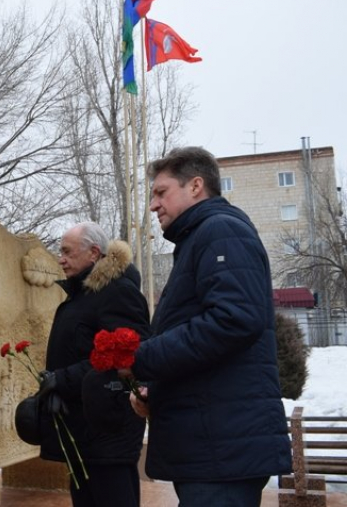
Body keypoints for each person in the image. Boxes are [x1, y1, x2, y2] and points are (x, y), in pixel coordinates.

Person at [123, 146, 291, 506]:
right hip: (214, 444)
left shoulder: (220, 232)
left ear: (196, 186)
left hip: (223, 450)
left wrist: (143, 358)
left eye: (161, 192)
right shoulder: (202, 238)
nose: (153, 205)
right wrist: (161, 388)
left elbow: (232, 321)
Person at [35, 222, 150, 507]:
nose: (60, 258)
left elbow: (127, 355)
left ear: (94, 253)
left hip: (108, 427)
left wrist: (62, 379)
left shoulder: (117, 292)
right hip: (82, 425)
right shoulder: (82, 295)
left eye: (67, 252)